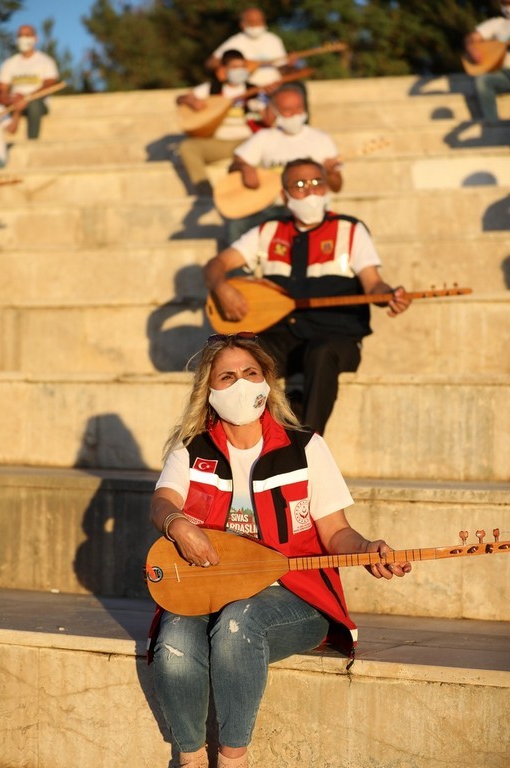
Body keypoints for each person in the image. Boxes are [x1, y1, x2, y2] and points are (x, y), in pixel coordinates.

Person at [148, 332, 411, 768]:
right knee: (174, 637)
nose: (241, 384)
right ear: (209, 390)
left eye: (250, 372)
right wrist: (177, 524)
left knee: (239, 622)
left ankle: (234, 759)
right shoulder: (191, 449)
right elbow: (162, 502)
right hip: (208, 589)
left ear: (267, 381)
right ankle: (190, 759)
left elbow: (336, 532)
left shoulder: (305, 447)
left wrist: (367, 548)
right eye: (227, 377)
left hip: (295, 596)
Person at [204, 158, 411, 436]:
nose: (311, 191)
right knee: (240, 354)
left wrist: (389, 296)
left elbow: (374, 284)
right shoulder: (269, 230)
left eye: (317, 182)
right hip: (282, 337)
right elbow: (216, 264)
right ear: (284, 196)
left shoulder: (350, 229)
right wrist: (221, 287)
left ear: (327, 188)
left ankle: (310, 443)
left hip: (336, 338)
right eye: (300, 185)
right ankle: (233, 438)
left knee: (321, 353)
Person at [223, 83, 342, 242]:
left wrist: (331, 172)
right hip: (270, 208)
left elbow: (337, 187)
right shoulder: (264, 137)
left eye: (298, 108)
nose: (295, 114)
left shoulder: (321, 139)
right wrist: (244, 168)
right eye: (287, 110)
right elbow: (235, 163)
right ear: (275, 111)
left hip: (310, 208)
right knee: (237, 226)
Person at [176, 49, 269, 197]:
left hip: (247, 141)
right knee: (187, 147)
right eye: (234, 67)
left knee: (260, 151)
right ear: (224, 69)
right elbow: (180, 99)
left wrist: (268, 103)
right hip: (218, 142)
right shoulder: (211, 88)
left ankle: (254, 195)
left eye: (242, 67)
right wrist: (191, 101)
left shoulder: (255, 90)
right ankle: (205, 194)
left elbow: (268, 120)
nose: (239, 71)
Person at [205, 7, 295, 88]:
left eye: (259, 21)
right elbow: (211, 63)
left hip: (273, 89)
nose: (256, 25)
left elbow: (282, 69)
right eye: (252, 22)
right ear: (242, 24)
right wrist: (238, 65)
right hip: (248, 91)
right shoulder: (235, 42)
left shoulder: (274, 40)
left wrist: (290, 64)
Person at [0, 24, 59, 140]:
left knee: (34, 105)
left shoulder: (45, 61)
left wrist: (26, 98)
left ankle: (32, 142)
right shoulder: (9, 63)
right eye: (20, 35)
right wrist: (10, 100)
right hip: (13, 103)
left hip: (36, 102)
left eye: (27, 35)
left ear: (35, 38)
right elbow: (1, 89)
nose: (23, 39)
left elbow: (49, 84)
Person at [464, 2, 510, 123]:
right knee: (483, 81)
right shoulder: (498, 23)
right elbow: (471, 38)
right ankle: (492, 125)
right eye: (505, 3)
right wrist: (472, 49)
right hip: (505, 75)